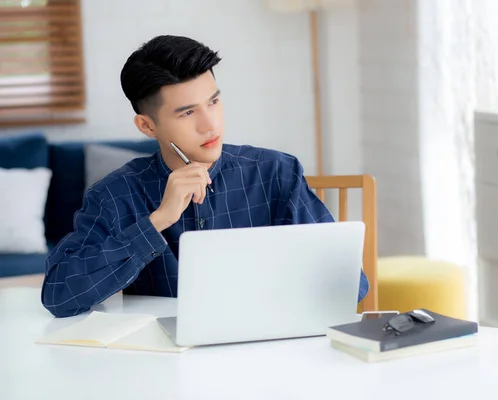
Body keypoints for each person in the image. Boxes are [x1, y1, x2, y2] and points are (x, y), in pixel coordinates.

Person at [42, 35, 369, 318]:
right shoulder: (115, 195)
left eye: (213, 102)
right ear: (147, 125)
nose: (210, 124)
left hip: (267, 354)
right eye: (187, 113)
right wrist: (156, 222)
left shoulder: (275, 174)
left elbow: (350, 284)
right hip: (167, 370)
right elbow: (59, 295)